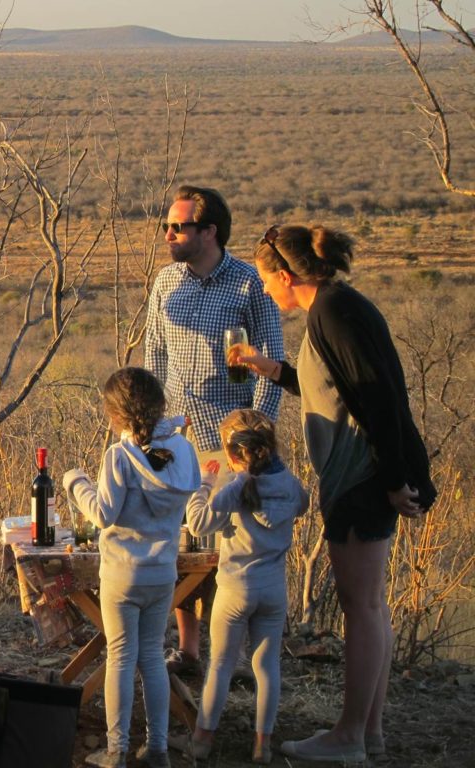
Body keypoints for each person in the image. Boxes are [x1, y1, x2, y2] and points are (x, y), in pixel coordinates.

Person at [234, 224, 437, 763]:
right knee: (370, 605)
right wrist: (269, 369)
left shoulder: (332, 314)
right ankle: (368, 733)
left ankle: (348, 736)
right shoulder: (336, 306)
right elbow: (335, 384)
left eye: (264, 280)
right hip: (363, 475)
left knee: (361, 605)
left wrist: (394, 481)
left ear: (284, 275)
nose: (266, 291)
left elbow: (380, 400)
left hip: (360, 478)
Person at [144, 184, 284, 677]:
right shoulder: (165, 283)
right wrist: (151, 429)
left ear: (210, 232)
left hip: (234, 439)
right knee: (184, 545)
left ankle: (235, 659)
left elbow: (273, 361)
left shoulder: (249, 284)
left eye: (178, 226)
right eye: (168, 225)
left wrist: (257, 439)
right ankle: (189, 652)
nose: (168, 234)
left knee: (236, 551)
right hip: (177, 435)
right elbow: (154, 356)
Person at [63, 368, 201, 768]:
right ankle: (157, 749)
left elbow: (103, 514)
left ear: (116, 415)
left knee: (121, 657)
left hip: (123, 574)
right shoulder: (183, 453)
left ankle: (116, 751)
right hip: (162, 572)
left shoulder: (119, 457)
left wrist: (76, 483)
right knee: (153, 658)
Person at [176, 409, 308, 765]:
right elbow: (305, 504)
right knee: (267, 667)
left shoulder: (236, 489)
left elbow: (200, 520)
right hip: (273, 590)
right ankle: (262, 744)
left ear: (234, 455)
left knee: (220, 663)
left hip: (235, 588)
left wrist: (204, 484)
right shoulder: (290, 485)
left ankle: (202, 740)